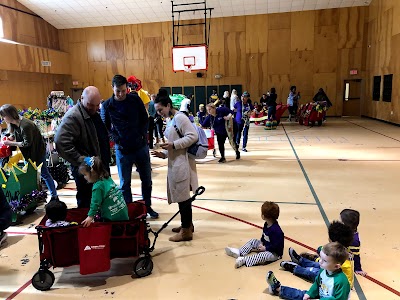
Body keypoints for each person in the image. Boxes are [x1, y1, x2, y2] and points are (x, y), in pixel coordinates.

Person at [101, 75, 158, 219]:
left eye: (122, 91)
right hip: (123, 150)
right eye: (117, 91)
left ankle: (147, 207)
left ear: (127, 88)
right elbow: (105, 127)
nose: (120, 94)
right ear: (112, 88)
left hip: (140, 147)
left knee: (147, 180)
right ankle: (129, 211)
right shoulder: (107, 105)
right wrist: (116, 139)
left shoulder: (135, 99)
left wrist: (142, 136)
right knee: (125, 183)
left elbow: (145, 119)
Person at [151, 89, 198, 242]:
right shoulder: (171, 119)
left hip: (182, 163)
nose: (159, 113)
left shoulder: (180, 118)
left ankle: (186, 231)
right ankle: (187, 225)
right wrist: (164, 154)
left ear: (168, 105)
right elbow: (174, 145)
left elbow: (193, 136)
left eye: (161, 110)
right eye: (157, 111)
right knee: (181, 195)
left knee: (183, 197)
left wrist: (173, 145)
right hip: (175, 162)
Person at [55, 86, 110, 208]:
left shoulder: (92, 112)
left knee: (100, 201)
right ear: (81, 98)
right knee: (87, 203)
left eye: (97, 105)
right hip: (87, 172)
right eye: (91, 105)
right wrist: (83, 160)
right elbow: (60, 142)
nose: (95, 108)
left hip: (98, 167)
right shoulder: (73, 116)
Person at [0, 104, 59, 202]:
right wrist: (11, 138)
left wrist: (10, 142)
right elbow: (18, 135)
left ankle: (54, 196)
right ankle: (35, 197)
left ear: (10, 115)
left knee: (44, 174)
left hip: (37, 153)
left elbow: (26, 143)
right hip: (28, 154)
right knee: (31, 175)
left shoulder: (26, 125)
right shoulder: (15, 124)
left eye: (3, 116)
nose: (3, 118)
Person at [281, 221, 354, 288]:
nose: (328, 239)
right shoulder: (340, 251)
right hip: (330, 270)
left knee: (313, 273)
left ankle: (295, 268)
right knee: (317, 264)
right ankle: (300, 260)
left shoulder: (340, 259)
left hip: (333, 282)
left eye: (330, 239)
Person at [266, 242, 351, 300]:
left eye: (324, 260)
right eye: (320, 258)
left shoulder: (341, 281)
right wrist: (310, 293)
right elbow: (317, 283)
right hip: (322, 295)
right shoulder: (324, 270)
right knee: (302, 294)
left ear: (336, 266)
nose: (320, 261)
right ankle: (277, 289)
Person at [225, 201, 284, 268]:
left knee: (264, 255)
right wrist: (261, 242)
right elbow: (264, 235)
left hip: (274, 253)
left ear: (265, 216)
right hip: (265, 246)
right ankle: (240, 252)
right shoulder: (266, 224)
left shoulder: (276, 231)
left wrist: (266, 248)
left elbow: (277, 245)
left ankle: (244, 260)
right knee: (253, 241)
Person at [79, 156, 128, 227]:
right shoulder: (107, 178)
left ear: (93, 172)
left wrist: (90, 216)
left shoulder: (97, 187)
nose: (84, 177)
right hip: (123, 214)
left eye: (85, 175)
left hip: (112, 220)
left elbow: (95, 203)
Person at [340, 208, 367, 276]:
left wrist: (358, 269)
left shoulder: (354, 240)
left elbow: (356, 255)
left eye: (341, 221)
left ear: (345, 224)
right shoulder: (343, 232)